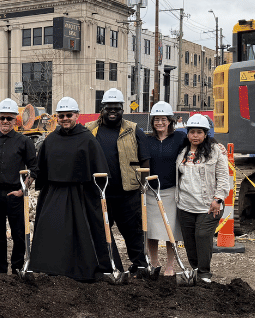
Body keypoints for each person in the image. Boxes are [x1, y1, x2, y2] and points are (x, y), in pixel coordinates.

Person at [30, 97, 112, 280]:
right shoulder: (50, 140)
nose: (65, 118)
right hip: (53, 192)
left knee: (82, 233)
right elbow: (41, 166)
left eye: (69, 115)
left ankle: (82, 270)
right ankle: (53, 268)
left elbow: (99, 168)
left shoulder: (87, 138)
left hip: (81, 194)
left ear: (77, 115)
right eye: (61, 115)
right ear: (57, 117)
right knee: (53, 230)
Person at [85, 88, 150, 276]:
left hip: (127, 193)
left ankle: (140, 266)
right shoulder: (89, 130)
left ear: (122, 109)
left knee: (133, 233)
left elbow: (145, 159)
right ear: (102, 108)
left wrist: (143, 187)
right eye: (108, 108)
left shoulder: (133, 129)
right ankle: (104, 267)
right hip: (99, 193)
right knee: (100, 233)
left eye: (117, 108)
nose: (112, 111)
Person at [0, 98, 39, 275]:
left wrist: (23, 190)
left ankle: (17, 267)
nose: (5, 121)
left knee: (18, 233)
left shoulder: (24, 142)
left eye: (9, 118)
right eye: (2, 118)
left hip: (15, 193)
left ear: (15, 120)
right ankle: (1, 269)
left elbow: (34, 169)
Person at [176, 114, 231, 283]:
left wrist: (218, 199)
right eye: (192, 132)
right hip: (185, 205)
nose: (195, 135)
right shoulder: (182, 152)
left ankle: (204, 272)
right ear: (187, 133)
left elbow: (223, 177)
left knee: (202, 235)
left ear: (206, 134)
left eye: (199, 132)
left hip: (209, 205)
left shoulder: (215, 152)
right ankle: (195, 269)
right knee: (189, 239)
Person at [146, 101, 188, 276]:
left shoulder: (179, 138)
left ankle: (171, 265)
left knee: (172, 231)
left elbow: (199, 143)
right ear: (152, 122)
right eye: (156, 119)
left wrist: (219, 147)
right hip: (150, 191)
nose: (160, 123)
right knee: (152, 231)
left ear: (170, 121)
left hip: (171, 191)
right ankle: (154, 263)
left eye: (163, 119)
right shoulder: (146, 140)